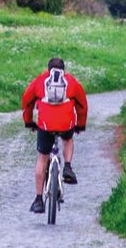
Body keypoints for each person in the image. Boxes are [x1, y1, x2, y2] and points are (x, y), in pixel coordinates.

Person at [21, 57, 88, 213]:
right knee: (68, 139)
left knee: (42, 158)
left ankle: (38, 200)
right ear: (63, 70)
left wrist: (29, 121)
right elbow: (82, 105)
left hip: (45, 125)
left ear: (48, 69)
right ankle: (68, 167)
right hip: (66, 124)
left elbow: (27, 101)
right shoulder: (71, 81)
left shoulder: (40, 80)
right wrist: (80, 125)